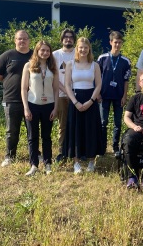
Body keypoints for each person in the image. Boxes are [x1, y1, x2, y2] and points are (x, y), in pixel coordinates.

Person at [62, 37, 103, 174]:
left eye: (85, 47)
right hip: (75, 100)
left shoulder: (95, 65)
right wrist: (75, 102)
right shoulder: (70, 64)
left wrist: (91, 101)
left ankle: (92, 161)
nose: (83, 50)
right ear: (77, 49)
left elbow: (98, 85)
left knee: (91, 129)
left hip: (90, 100)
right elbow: (67, 85)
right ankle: (76, 163)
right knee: (75, 130)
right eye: (80, 47)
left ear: (89, 49)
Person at [0, 30, 33, 167]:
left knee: (32, 130)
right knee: (11, 130)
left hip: (32, 99)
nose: (22, 41)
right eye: (19, 39)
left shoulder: (35, 55)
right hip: (12, 99)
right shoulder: (7, 56)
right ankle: (10, 156)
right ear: (15, 40)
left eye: (25, 39)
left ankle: (35, 155)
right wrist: (9, 82)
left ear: (29, 40)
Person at [21, 41, 59, 176]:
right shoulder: (28, 66)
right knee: (32, 136)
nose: (45, 53)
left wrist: (55, 108)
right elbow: (24, 89)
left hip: (48, 105)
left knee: (47, 136)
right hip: (32, 105)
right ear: (37, 51)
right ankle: (34, 165)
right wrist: (26, 108)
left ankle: (48, 163)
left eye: (47, 51)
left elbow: (55, 90)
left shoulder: (53, 67)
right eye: (42, 50)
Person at [97, 31, 132, 155]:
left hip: (118, 96)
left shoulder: (126, 61)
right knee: (103, 122)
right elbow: (97, 77)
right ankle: (102, 148)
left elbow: (126, 80)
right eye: (115, 42)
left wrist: (124, 96)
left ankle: (115, 147)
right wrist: (98, 94)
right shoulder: (102, 58)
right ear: (110, 42)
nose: (117, 45)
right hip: (104, 95)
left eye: (120, 42)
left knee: (118, 123)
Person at [52, 29, 76, 161]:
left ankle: (76, 151)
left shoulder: (78, 53)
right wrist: (66, 91)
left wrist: (72, 93)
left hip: (77, 95)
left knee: (76, 123)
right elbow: (54, 76)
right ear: (62, 39)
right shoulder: (55, 55)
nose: (68, 39)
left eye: (71, 37)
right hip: (60, 95)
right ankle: (62, 152)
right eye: (66, 37)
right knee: (63, 124)